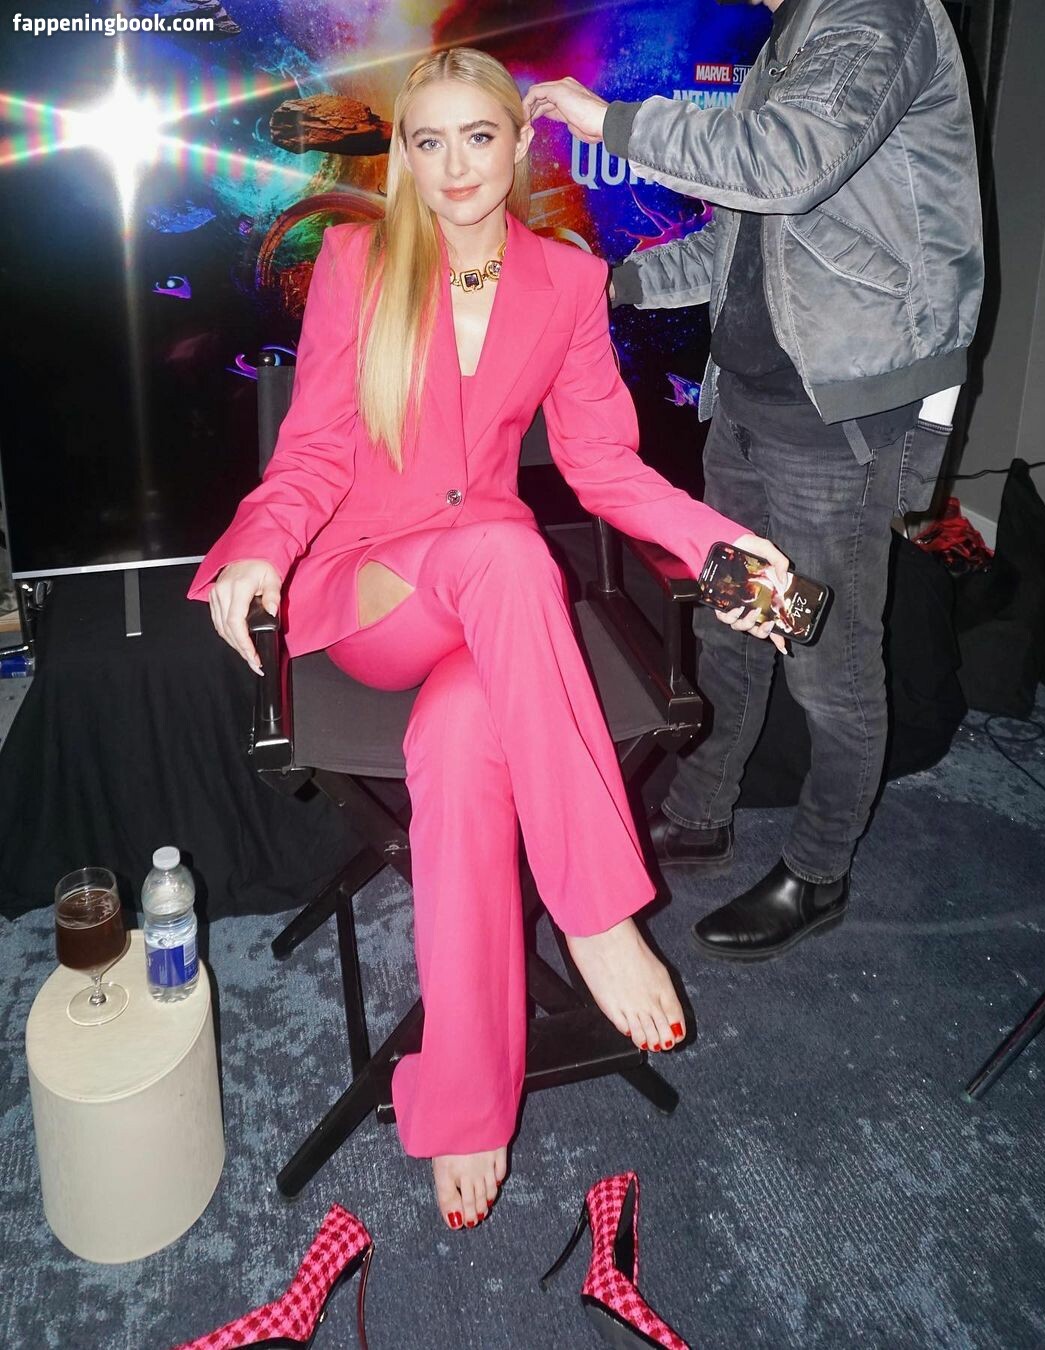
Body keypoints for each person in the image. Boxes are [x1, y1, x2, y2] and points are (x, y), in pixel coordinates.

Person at [189, 47, 788, 1229]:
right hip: (377, 592)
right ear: (403, 158)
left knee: (466, 745)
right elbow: (313, 450)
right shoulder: (358, 262)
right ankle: (597, 912)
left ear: (519, 145)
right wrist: (260, 545)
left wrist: (722, 546)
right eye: (430, 141)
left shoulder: (568, 281)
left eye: (479, 136)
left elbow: (605, 466)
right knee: (511, 553)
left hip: (490, 616)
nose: (456, 165)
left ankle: (465, 1095)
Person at [525, 0, 984, 961]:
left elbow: (783, 166)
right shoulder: (796, 32)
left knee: (827, 662)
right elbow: (739, 241)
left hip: (834, 424)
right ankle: (702, 813)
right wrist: (605, 282)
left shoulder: (874, 13)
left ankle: (819, 871)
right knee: (732, 626)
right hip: (749, 407)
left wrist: (606, 120)